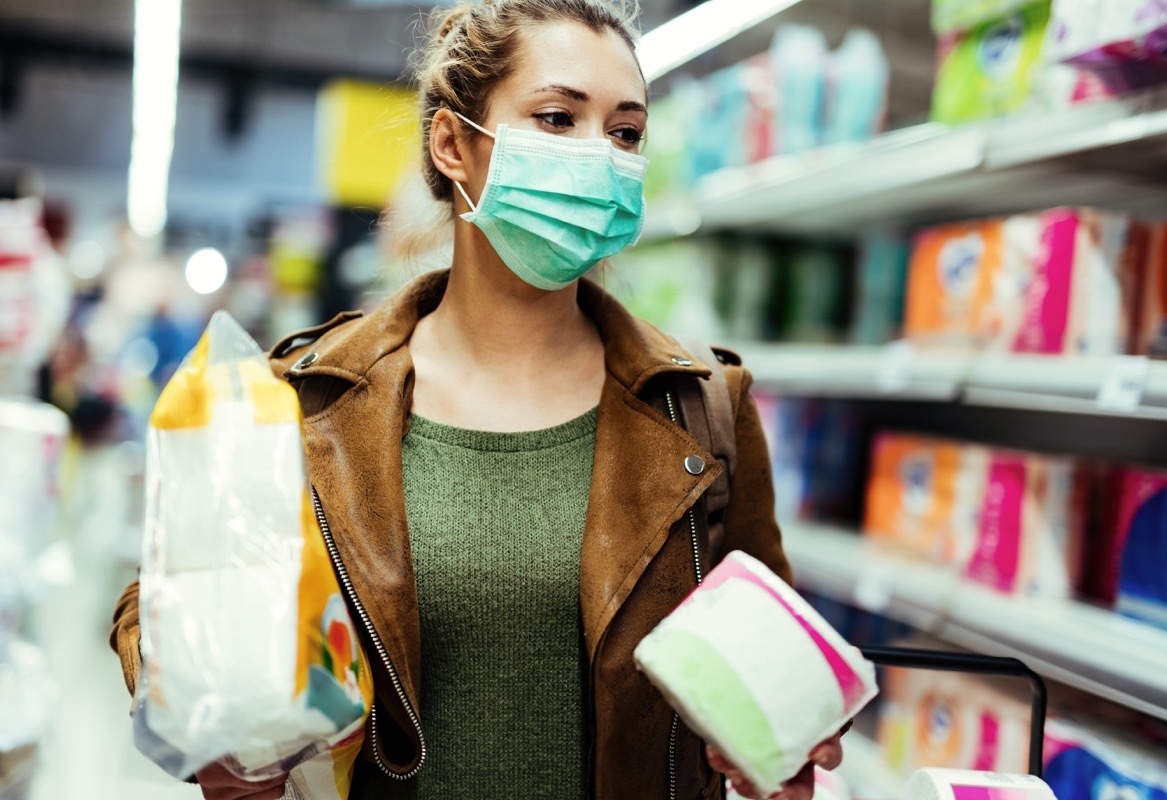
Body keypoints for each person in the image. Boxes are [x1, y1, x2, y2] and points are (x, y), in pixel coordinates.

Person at [110, 0, 848, 796]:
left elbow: (774, 664)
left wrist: (786, 735)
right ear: (454, 143)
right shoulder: (311, 395)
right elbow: (161, 599)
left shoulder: (701, 406)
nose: (601, 157)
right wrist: (204, 708)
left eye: (626, 132)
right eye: (559, 118)